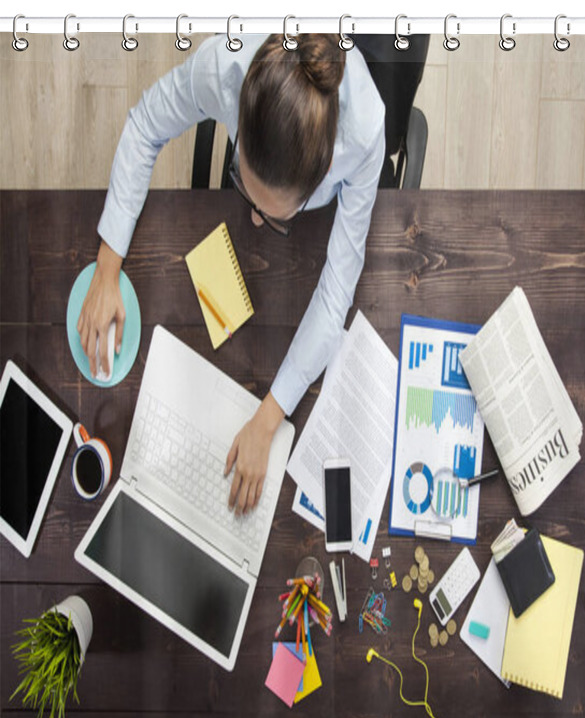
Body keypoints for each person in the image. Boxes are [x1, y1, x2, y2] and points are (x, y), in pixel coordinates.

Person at [76, 33, 385, 516]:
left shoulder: (363, 131)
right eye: (246, 186)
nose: (258, 222)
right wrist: (107, 265)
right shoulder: (224, 64)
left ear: (324, 174)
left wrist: (267, 419)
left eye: (276, 215)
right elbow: (144, 126)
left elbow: (335, 292)